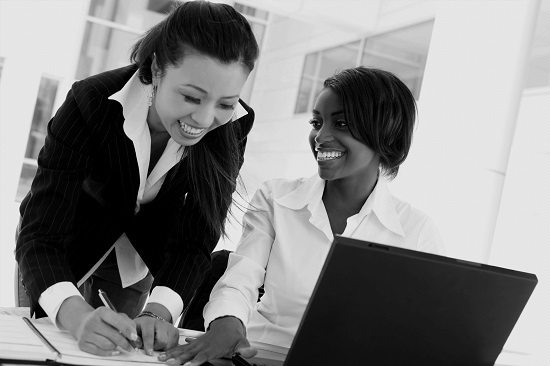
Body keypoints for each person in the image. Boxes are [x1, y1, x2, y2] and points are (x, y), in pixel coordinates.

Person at [14, 0, 259, 357]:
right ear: (157, 68)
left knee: (122, 353)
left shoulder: (235, 123)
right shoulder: (91, 100)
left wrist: (159, 311)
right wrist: (76, 316)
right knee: (47, 349)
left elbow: (198, 235)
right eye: (192, 96)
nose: (206, 119)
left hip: (141, 257)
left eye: (225, 102)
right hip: (61, 249)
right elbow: (40, 232)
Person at [158, 66, 446, 365]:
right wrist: (227, 321)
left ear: (384, 133)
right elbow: (240, 279)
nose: (321, 136)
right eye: (317, 122)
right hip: (261, 357)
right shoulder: (276, 199)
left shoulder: (416, 230)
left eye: (342, 123)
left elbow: (433, 331)